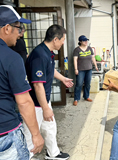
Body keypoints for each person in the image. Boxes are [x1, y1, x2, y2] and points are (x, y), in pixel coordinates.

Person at [0, 5, 44, 160]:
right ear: (6, 28)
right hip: (5, 133)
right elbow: (24, 102)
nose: (20, 34)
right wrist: (36, 134)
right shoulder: (11, 58)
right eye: (18, 28)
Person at [24, 24, 73, 160]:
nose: (63, 43)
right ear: (55, 39)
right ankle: (26, 156)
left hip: (44, 101)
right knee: (30, 134)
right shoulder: (39, 55)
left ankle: (53, 153)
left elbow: (51, 70)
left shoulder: (48, 52)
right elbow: (38, 85)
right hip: (34, 104)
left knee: (50, 127)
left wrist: (63, 79)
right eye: (63, 40)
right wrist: (45, 108)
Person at [73, 35, 98, 106]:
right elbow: (75, 59)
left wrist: (95, 66)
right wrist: (76, 69)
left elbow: (93, 58)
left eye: (86, 40)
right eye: (84, 41)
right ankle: (76, 99)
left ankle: (86, 96)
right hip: (80, 70)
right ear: (80, 42)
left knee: (87, 83)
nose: (86, 42)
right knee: (79, 84)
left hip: (89, 69)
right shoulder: (77, 50)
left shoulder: (90, 49)